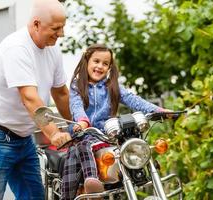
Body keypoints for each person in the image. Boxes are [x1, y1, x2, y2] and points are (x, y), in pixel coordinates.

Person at [0, 0, 72, 199]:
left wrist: (75, 126)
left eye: (63, 27)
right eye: (56, 28)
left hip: (23, 138)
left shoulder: (53, 50)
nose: (61, 34)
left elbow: (61, 93)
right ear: (36, 24)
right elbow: (30, 99)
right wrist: (54, 133)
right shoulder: (16, 48)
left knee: (34, 196)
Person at [61, 44, 168, 199]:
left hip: (107, 135)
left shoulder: (113, 86)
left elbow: (134, 100)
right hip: (84, 134)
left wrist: (158, 111)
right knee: (84, 145)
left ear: (110, 67)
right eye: (96, 61)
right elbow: (76, 106)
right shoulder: (77, 85)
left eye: (105, 63)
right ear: (86, 61)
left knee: (131, 146)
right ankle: (92, 181)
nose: (100, 66)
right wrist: (83, 121)